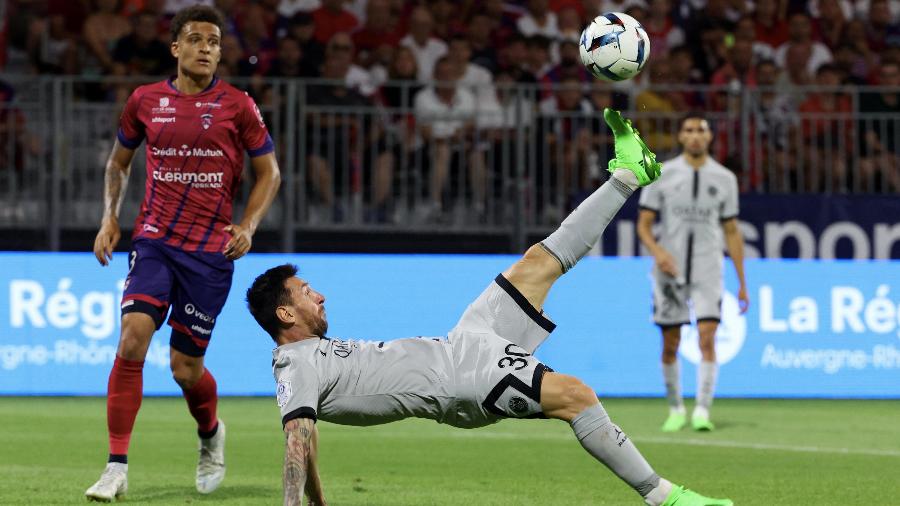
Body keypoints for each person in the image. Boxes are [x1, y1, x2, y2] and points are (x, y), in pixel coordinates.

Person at [246, 109, 733, 506]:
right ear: (285, 315)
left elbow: (304, 438)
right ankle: (663, 496)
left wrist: (316, 501)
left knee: (537, 262)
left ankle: (629, 173)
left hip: (465, 342)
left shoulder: (311, 363)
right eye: (306, 293)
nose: (320, 295)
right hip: (462, 381)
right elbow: (297, 437)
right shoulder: (296, 364)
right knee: (577, 396)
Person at [85, 5, 281, 501]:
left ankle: (211, 432)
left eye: (214, 42)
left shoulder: (238, 105)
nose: (206, 49)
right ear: (176, 48)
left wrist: (249, 225)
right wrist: (111, 216)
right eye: (195, 39)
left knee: (184, 370)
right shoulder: (145, 100)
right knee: (132, 338)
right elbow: (119, 162)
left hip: (210, 253)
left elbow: (270, 173)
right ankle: (115, 467)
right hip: (154, 241)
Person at [636, 113, 749, 433]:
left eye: (701, 129)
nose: (696, 135)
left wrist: (742, 282)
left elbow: (732, 231)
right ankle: (675, 408)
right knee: (670, 343)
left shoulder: (725, 178)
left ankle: (702, 409)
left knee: (707, 338)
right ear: (681, 137)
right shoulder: (662, 174)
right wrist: (658, 253)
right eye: (689, 130)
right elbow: (643, 225)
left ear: (710, 137)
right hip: (669, 271)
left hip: (708, 269)